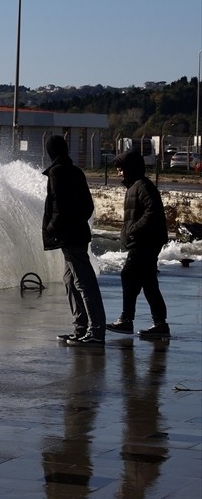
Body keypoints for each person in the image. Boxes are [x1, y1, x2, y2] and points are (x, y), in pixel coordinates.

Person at [42, 134, 107, 347]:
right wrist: (77, 222)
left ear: (50, 152)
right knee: (70, 280)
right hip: (77, 234)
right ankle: (80, 328)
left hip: (69, 236)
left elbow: (59, 207)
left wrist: (52, 228)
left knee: (83, 282)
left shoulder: (57, 173)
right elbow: (88, 206)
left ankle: (96, 331)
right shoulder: (76, 171)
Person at [105, 151, 170, 338]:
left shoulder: (143, 186)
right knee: (148, 282)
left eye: (121, 170)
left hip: (145, 242)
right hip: (144, 241)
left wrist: (133, 229)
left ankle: (127, 320)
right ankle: (159, 324)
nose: (119, 174)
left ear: (130, 169)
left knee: (129, 275)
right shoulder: (136, 186)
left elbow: (153, 210)